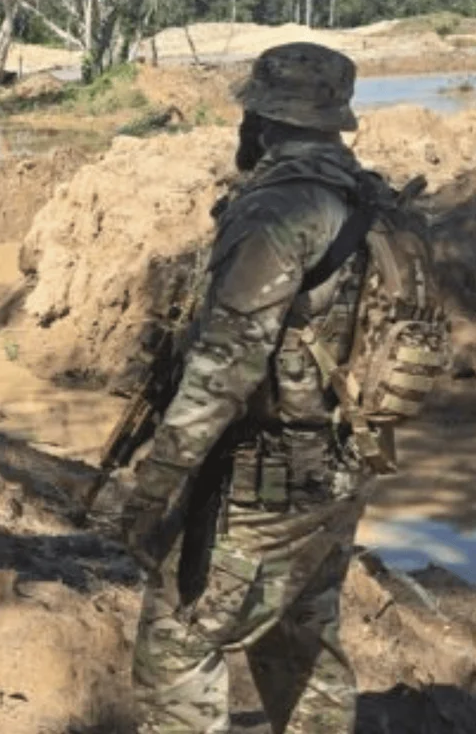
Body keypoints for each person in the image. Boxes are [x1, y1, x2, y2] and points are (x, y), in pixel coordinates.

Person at [123, 42, 446, 733]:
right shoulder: (375, 199)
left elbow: (225, 365)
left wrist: (157, 484)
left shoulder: (280, 209)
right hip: (343, 465)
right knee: (301, 634)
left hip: (263, 477)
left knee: (179, 640)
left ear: (262, 120)